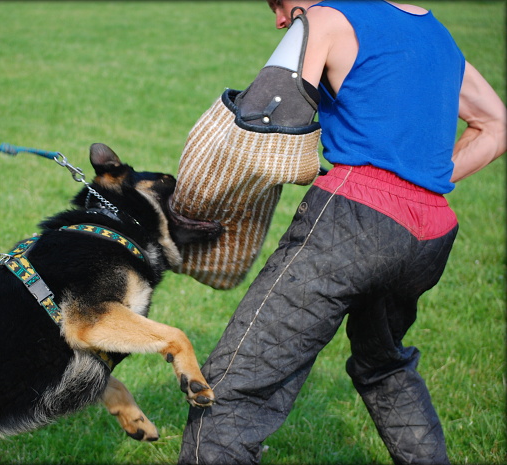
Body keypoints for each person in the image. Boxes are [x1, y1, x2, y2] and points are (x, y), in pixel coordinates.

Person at [178, 1, 507, 464]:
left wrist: (194, 208)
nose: (278, 18)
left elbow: (262, 122)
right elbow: (497, 124)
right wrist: (422, 176)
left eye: (279, 4)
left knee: (235, 388)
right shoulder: (439, 38)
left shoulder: (327, 19)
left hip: (352, 225)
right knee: (384, 364)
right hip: (430, 234)